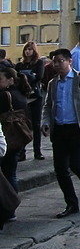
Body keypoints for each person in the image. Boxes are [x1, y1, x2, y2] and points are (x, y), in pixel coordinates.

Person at [41, 49, 80, 218]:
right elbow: (47, 105)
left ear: (69, 61)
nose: (57, 65)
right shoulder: (53, 83)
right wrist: (45, 122)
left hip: (76, 129)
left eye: (60, 61)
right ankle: (71, 203)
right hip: (59, 129)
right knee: (60, 169)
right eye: (54, 62)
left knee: (76, 163)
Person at [0, 67, 32, 199]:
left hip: (7, 137)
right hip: (18, 137)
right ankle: (12, 205)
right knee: (11, 172)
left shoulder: (5, 95)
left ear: (10, 80)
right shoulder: (20, 93)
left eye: (0, 79)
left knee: (7, 174)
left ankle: (9, 204)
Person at [15, 41, 45, 160]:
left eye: (30, 49)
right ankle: (22, 152)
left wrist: (26, 77)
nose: (28, 51)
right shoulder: (19, 65)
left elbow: (39, 77)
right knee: (23, 124)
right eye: (26, 49)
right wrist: (28, 76)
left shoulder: (39, 63)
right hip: (23, 97)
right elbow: (16, 78)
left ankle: (37, 151)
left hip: (35, 96)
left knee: (36, 125)